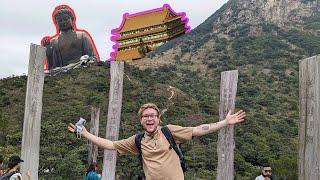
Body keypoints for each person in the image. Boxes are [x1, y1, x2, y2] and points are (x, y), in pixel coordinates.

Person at [68, 103, 246, 180]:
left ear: (158, 118)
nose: (149, 119)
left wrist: (224, 122)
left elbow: (199, 129)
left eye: (153, 115)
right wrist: (85, 134)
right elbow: (111, 145)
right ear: (141, 120)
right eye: (145, 116)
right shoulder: (137, 140)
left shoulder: (170, 132)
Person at [42, 5, 99, 70]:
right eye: (60, 21)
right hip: (61, 70)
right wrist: (49, 53)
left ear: (72, 19)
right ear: (56, 23)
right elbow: (52, 66)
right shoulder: (53, 42)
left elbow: (92, 58)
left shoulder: (82, 36)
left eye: (65, 19)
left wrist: (84, 61)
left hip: (79, 67)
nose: (63, 22)